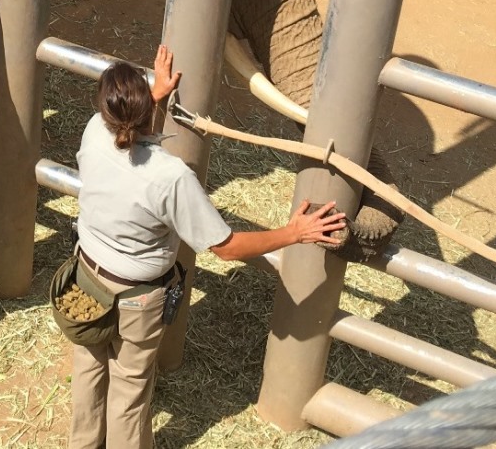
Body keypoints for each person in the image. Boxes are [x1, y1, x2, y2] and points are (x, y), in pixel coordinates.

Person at [70, 47, 347, 449]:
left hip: (85, 278)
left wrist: (155, 98)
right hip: (136, 298)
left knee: (88, 370)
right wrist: (294, 232)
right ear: (143, 108)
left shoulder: (94, 131)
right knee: (129, 394)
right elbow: (227, 247)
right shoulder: (170, 177)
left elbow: (126, 135)